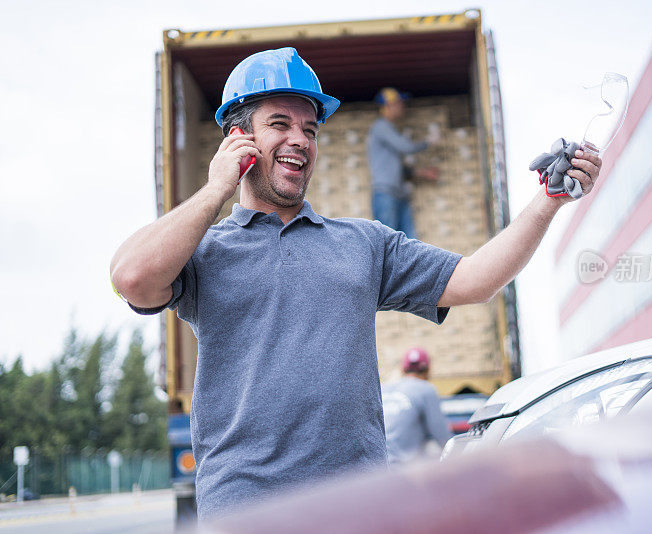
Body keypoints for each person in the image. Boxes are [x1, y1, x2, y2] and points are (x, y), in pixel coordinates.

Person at [109, 47, 601, 520]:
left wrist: (548, 201)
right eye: (279, 124)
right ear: (238, 139)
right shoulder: (206, 252)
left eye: (310, 129)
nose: (300, 139)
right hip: (248, 510)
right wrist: (216, 187)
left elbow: (475, 280)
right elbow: (132, 278)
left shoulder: (364, 244)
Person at [367, 87, 438, 239]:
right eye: (399, 103)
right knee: (388, 242)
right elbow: (405, 147)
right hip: (386, 194)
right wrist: (428, 142)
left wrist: (422, 173)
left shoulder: (390, 129)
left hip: (398, 193)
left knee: (408, 244)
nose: (402, 107)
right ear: (388, 106)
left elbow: (397, 168)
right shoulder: (381, 127)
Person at [382, 348, 453, 466]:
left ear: (402, 369)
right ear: (428, 370)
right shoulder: (426, 389)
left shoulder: (384, 388)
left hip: (375, 466)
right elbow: (442, 436)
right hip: (400, 469)